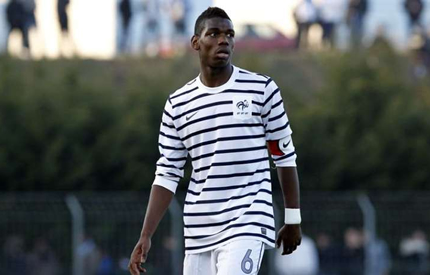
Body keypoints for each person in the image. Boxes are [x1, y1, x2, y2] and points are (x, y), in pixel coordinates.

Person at [128, 6, 303, 275]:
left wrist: (293, 218)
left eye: (229, 34)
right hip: (199, 230)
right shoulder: (178, 104)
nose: (224, 40)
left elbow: (284, 156)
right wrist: (146, 234)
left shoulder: (261, 90)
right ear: (196, 43)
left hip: (247, 221)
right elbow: (167, 173)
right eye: (214, 33)